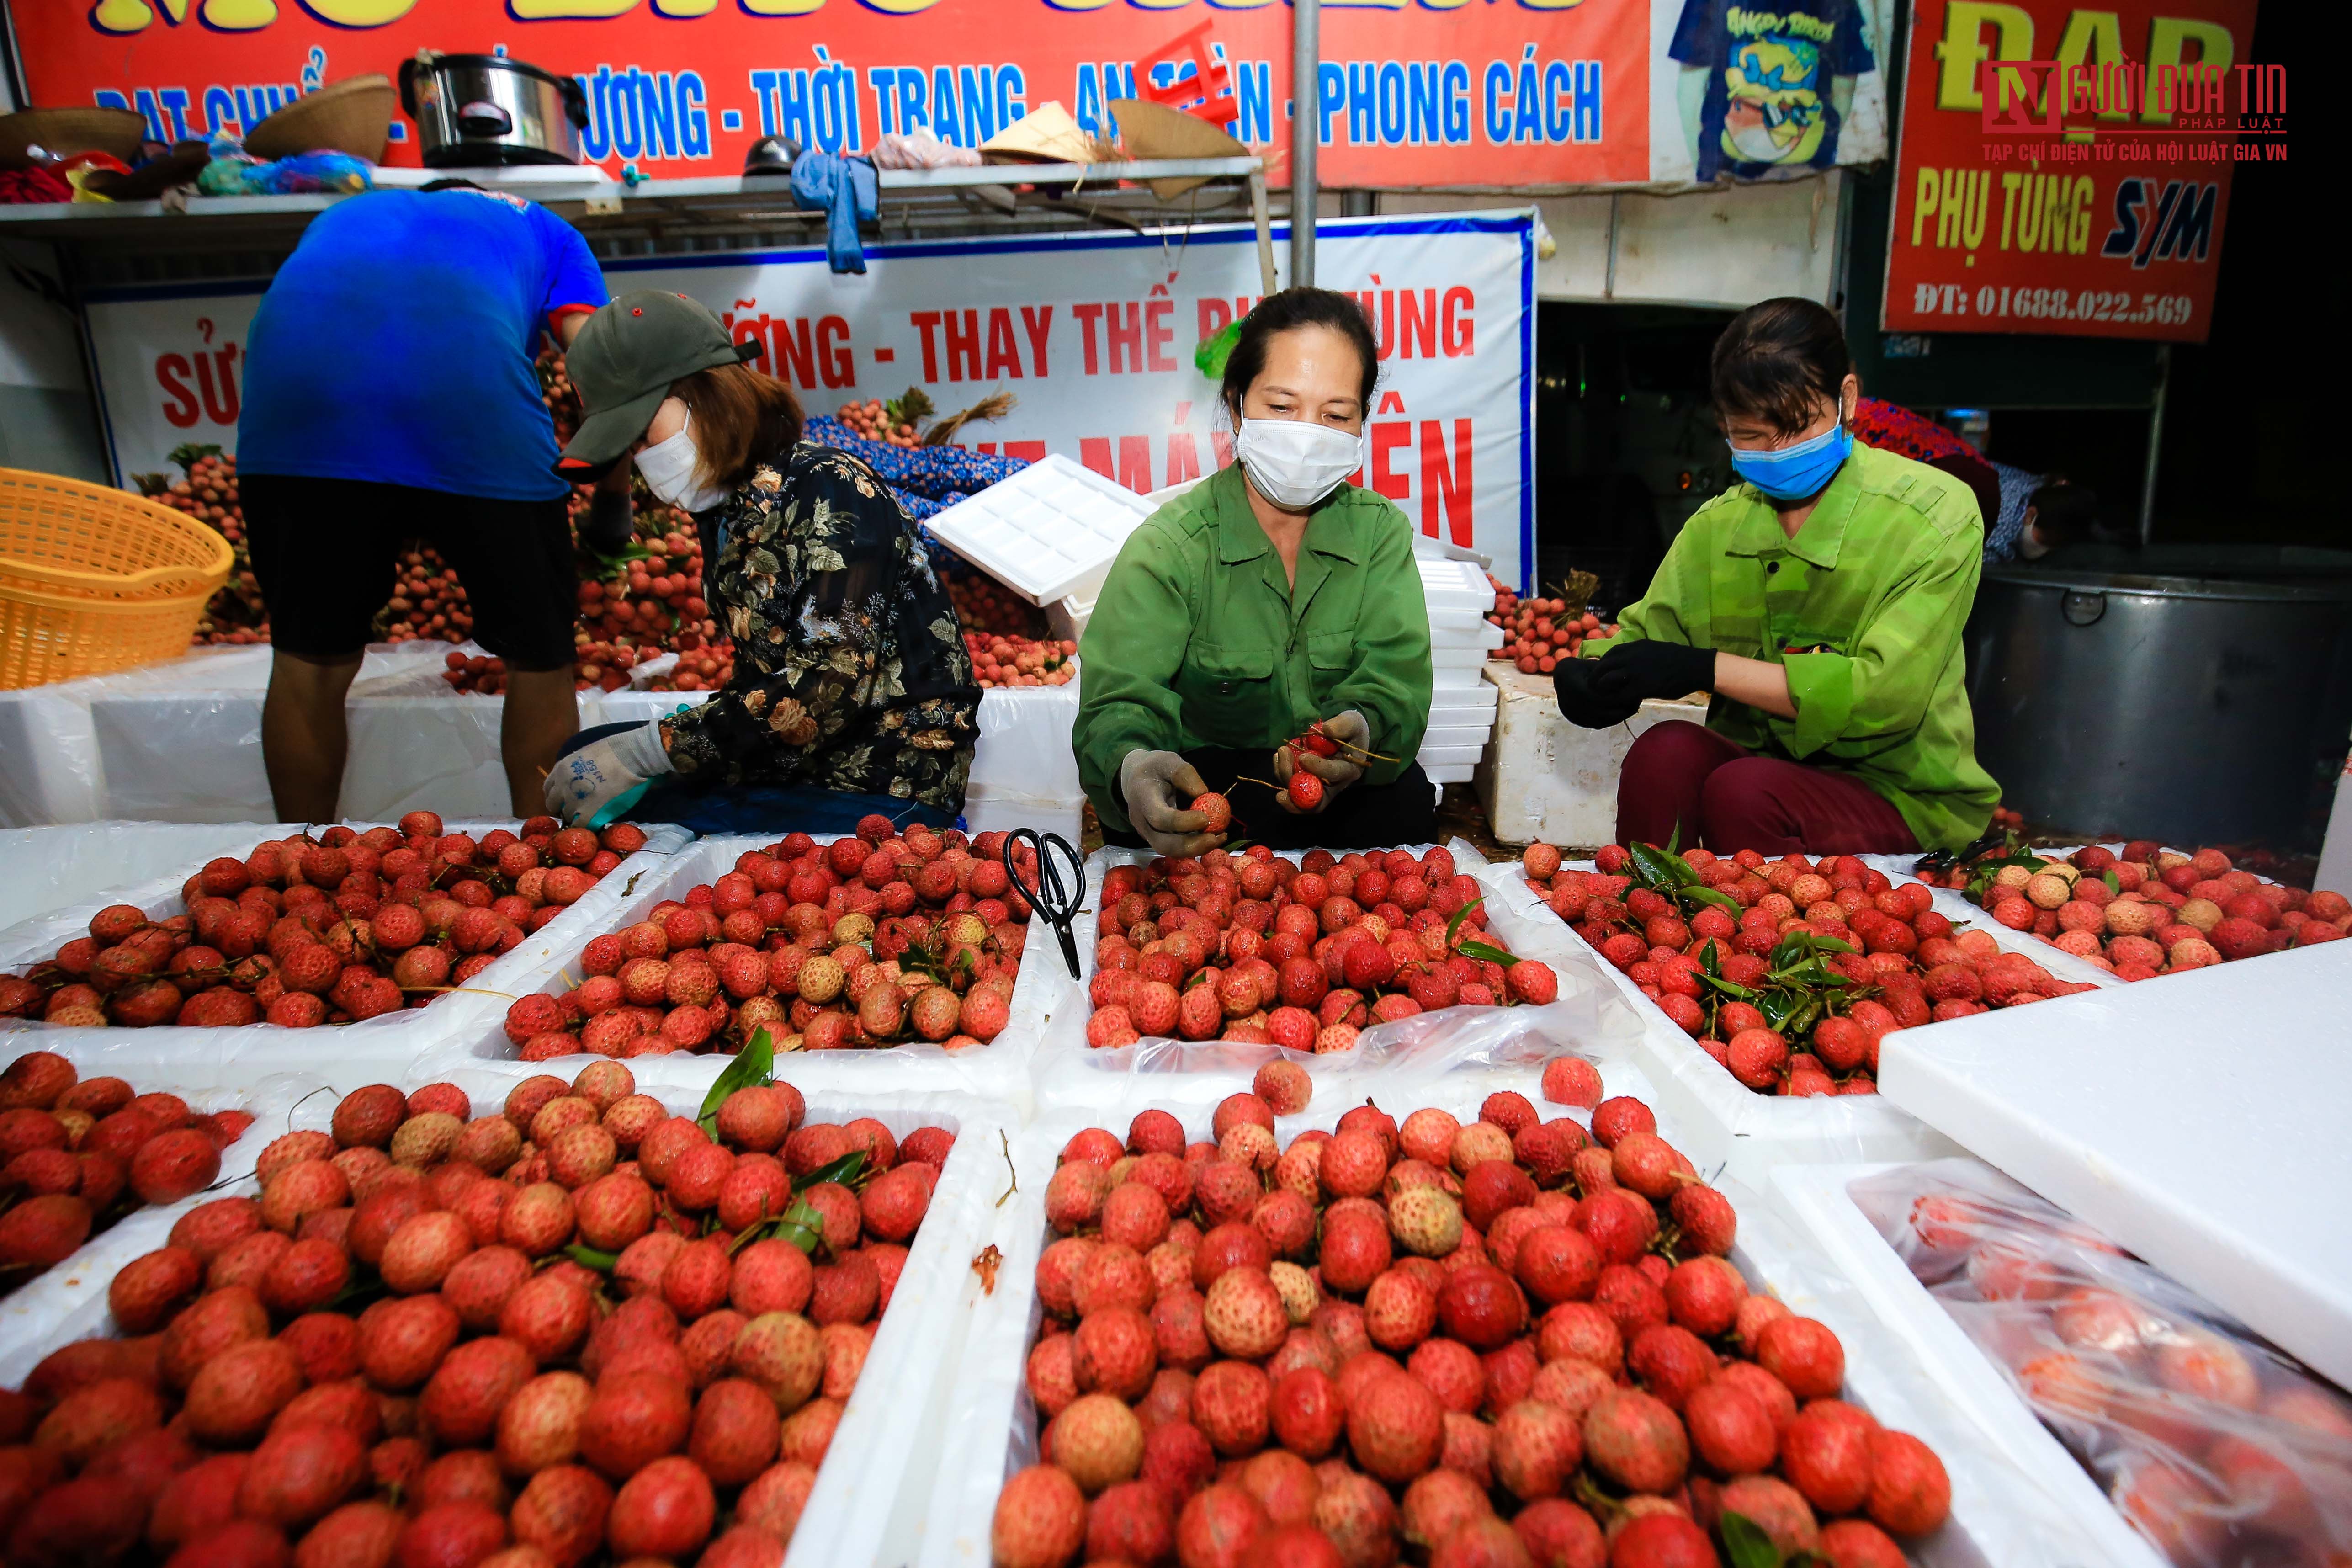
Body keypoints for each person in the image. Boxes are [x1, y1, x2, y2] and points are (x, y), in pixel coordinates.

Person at [238, 181, 632, 820]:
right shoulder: (550, 230)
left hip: (298, 404)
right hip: (468, 394)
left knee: (308, 657)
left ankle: (301, 853)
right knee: (539, 658)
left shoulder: (348, 214)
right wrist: (612, 507)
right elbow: (602, 370)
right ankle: (551, 859)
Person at [1555, 297, 1999, 855]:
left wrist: (1704, 668)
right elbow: (1649, 636)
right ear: (1723, 427)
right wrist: (1595, 676)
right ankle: (1645, 922)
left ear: (1847, 399)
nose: (1778, 452)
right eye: (1752, 435)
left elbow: (1882, 697)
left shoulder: (1933, 516)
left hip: (1901, 790)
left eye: (1796, 427)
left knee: (1745, 793)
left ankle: (1763, 936)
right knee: (1662, 752)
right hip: (1763, 774)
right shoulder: (1718, 528)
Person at [543, 290, 978, 833]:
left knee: (643, 804)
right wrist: (650, 748)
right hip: (803, 761)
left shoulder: (830, 488)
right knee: (589, 749)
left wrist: (653, 752)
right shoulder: (729, 512)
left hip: (883, 780)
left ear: (703, 395)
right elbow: (762, 676)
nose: (640, 459)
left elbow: (823, 689)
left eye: (640, 434)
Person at [1074, 287, 1434, 855]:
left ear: (1363, 420)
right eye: (1282, 406)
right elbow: (1120, 699)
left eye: (1335, 414)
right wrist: (1134, 764)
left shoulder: (1378, 536)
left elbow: (1396, 679)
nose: (1306, 433)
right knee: (1147, 814)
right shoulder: (1170, 548)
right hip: (1209, 796)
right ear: (1237, 404)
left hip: (1333, 795)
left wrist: (1361, 734)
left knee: (1406, 797)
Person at [1984, 468, 2098, 563]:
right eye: (2045, 541)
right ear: (2031, 515)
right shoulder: (1994, 543)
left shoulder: (2029, 482)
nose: (2045, 549)